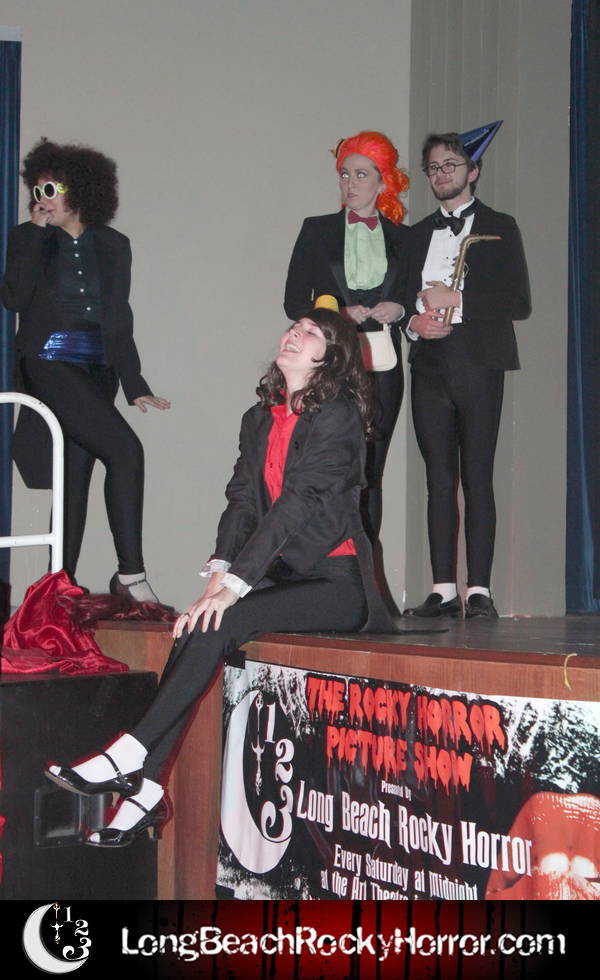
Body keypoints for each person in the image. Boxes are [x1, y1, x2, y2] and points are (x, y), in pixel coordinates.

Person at [45, 307, 394, 846]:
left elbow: (298, 502)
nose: (294, 335)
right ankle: (146, 789)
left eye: (312, 334)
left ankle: (130, 757)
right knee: (197, 625)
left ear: (331, 357)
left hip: (337, 584)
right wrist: (219, 572)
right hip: (282, 575)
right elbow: (242, 502)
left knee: (222, 619)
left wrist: (234, 587)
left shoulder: (339, 416)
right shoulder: (259, 418)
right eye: (294, 327)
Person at [0, 139, 170, 601]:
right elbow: (14, 298)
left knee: (74, 475)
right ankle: (130, 575)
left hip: (97, 370)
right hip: (49, 363)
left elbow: (119, 318)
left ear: (78, 190)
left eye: (51, 188)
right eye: (37, 190)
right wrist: (35, 234)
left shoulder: (114, 245)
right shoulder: (28, 238)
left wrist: (133, 382)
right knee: (126, 451)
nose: (43, 198)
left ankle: (57, 585)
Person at [402, 123, 531, 619]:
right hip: (429, 367)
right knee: (438, 479)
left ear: (473, 171)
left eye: (450, 165)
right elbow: (402, 301)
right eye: (433, 167)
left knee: (477, 475)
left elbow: (518, 302)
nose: (441, 174)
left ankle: (479, 589)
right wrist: (414, 325)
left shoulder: (501, 226)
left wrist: (457, 299)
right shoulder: (416, 235)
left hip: (479, 363)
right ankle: (442, 588)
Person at [284, 131, 410, 543]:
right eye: (344, 174)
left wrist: (399, 309)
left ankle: (365, 569)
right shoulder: (316, 230)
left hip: (383, 361)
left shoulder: (403, 237)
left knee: (372, 470)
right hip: (332, 361)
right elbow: (292, 301)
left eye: (361, 174)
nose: (350, 183)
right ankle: (324, 562)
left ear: (383, 181)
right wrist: (337, 316)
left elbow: (413, 297)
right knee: (327, 464)